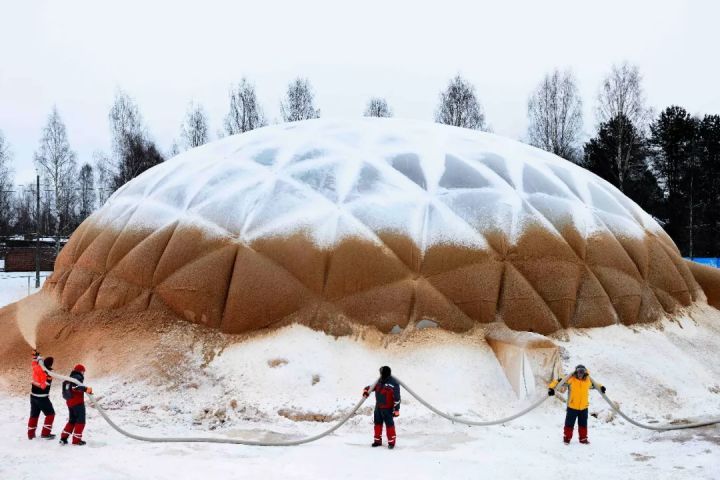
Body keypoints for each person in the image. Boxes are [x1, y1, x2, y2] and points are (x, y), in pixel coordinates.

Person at [548, 364, 605, 445]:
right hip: (572, 407)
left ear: (585, 373)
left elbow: (596, 384)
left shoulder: (588, 381)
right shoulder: (570, 379)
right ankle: (567, 438)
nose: (580, 374)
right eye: (579, 372)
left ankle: (583, 439)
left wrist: (601, 387)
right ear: (576, 372)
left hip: (584, 408)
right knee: (569, 424)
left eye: (582, 372)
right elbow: (558, 381)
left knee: (583, 424)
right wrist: (551, 388)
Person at [362, 365, 401, 449]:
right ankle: (377, 441)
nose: (380, 374)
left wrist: (396, 410)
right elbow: (370, 387)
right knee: (377, 424)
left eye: (381, 372)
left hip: (388, 409)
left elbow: (397, 398)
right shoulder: (379, 381)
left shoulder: (394, 383)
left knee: (389, 425)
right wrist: (366, 391)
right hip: (378, 408)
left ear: (384, 373)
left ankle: (391, 443)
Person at [60, 364, 93, 446]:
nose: (83, 374)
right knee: (81, 421)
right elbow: (75, 387)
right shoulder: (77, 377)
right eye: (83, 372)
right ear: (81, 371)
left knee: (72, 420)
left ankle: (63, 438)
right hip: (77, 403)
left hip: (70, 403)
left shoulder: (68, 379)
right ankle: (76, 441)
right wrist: (86, 389)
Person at [28, 350, 55, 440]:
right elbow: (43, 387)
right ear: (50, 365)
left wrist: (36, 357)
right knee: (50, 414)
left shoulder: (37, 367)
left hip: (33, 397)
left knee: (34, 415)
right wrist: (48, 379)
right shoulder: (48, 374)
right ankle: (45, 433)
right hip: (42, 398)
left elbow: (33, 364)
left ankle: (30, 435)